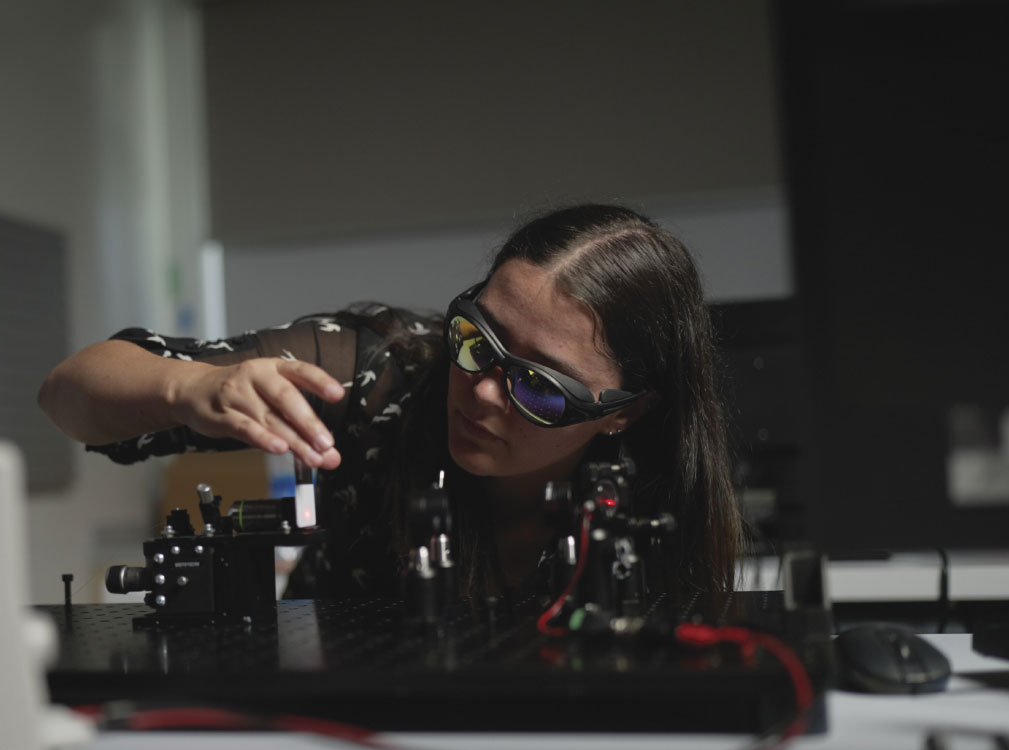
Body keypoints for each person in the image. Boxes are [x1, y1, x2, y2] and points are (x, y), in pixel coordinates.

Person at [40, 204, 742, 602]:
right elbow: (67, 393)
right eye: (477, 337)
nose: (483, 391)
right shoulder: (382, 373)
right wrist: (189, 386)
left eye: (538, 386)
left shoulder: (660, 509)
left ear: (624, 411)